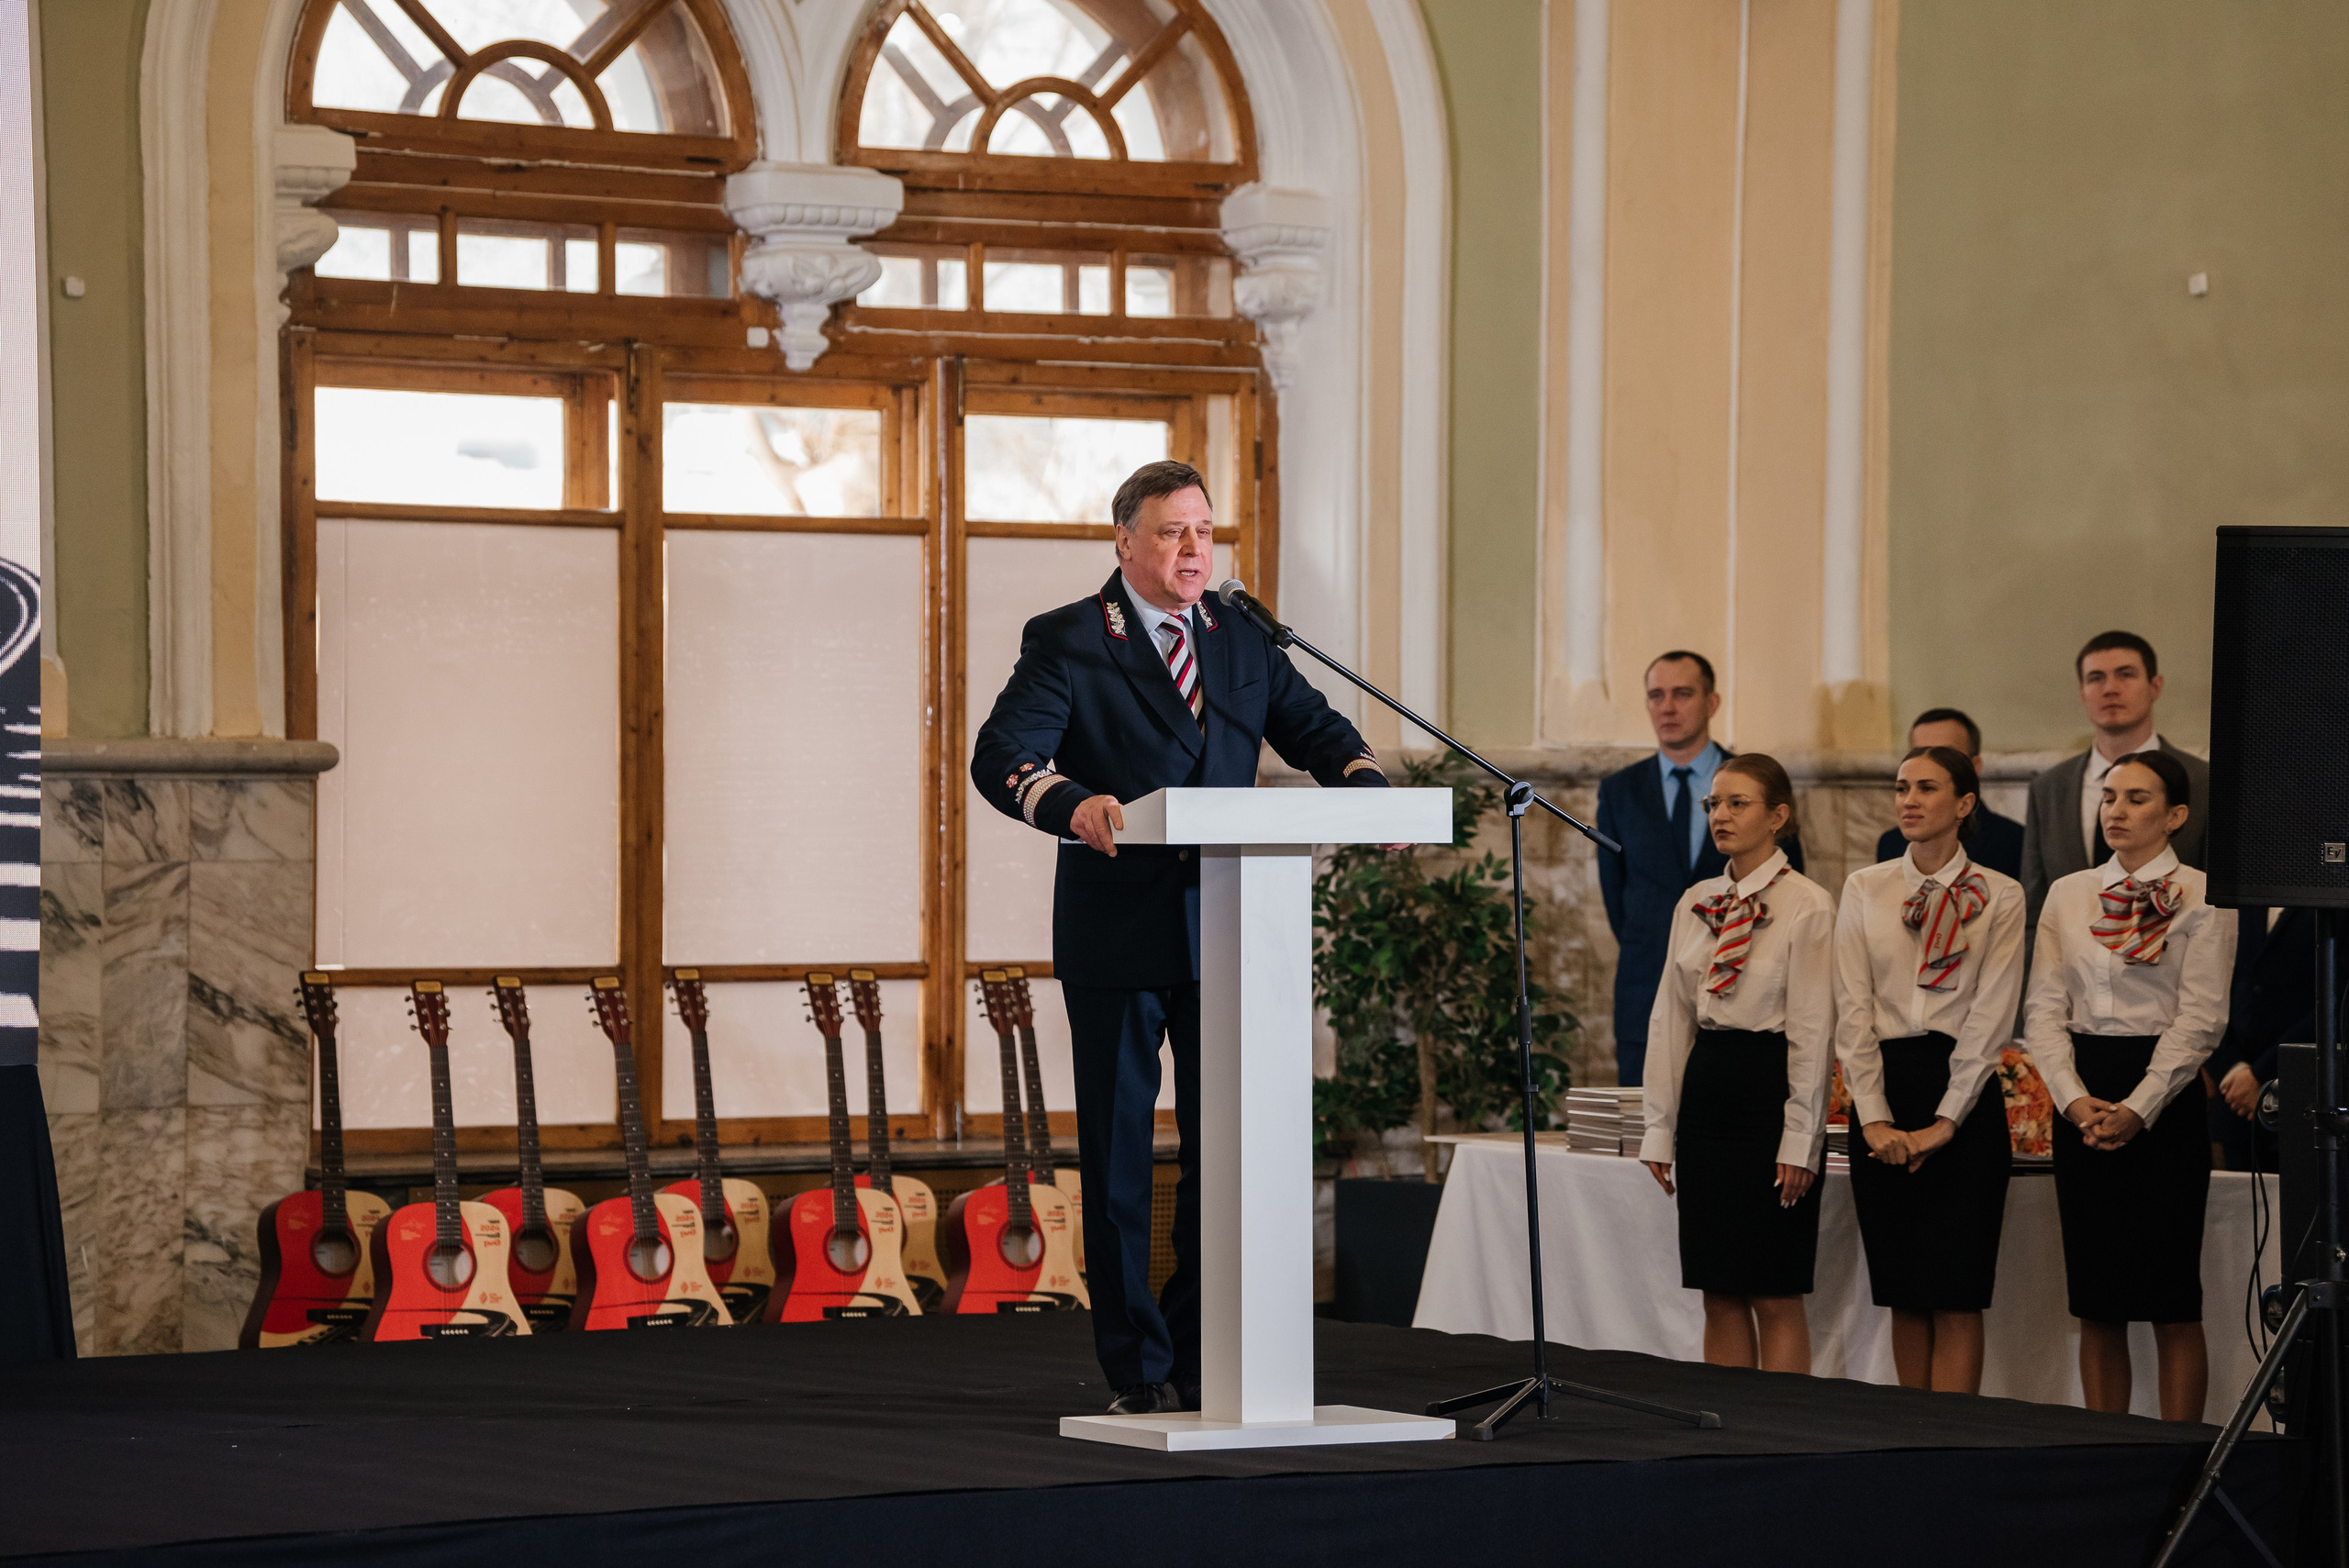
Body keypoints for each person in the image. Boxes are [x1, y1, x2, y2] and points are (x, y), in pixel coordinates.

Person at [969, 460, 1388, 1418]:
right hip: (1119, 932)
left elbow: (1312, 725)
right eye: (1170, 532)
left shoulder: (1240, 636)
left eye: (1203, 531)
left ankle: (1202, 1350)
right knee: (1121, 1163)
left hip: (1231, 931)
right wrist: (1070, 802)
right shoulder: (1072, 638)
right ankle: (1136, 1362)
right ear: (1125, 542)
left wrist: (1364, 784)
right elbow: (1004, 755)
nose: (1193, 549)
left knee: (1222, 1158)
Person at [2023, 751, 2234, 1420]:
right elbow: (2044, 1008)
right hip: (2083, 1088)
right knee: (2098, 1298)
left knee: (2172, 1298)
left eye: (2137, 798)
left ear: (2176, 814)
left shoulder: (2205, 893)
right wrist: (2072, 1096)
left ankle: (2181, 1458)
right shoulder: (2069, 891)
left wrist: (2140, 1106)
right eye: (2109, 796)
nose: (2116, 809)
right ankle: (2105, 1447)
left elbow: (2202, 1018)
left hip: (2165, 1098)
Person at [1836, 747, 2027, 1394]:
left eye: (1926, 787)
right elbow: (1851, 1008)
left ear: (1965, 802)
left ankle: (1954, 1440)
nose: (1908, 799)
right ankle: (1909, 1435)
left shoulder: (2001, 894)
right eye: (1900, 787)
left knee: (1956, 1289)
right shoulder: (1866, 886)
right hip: (1885, 1085)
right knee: (1904, 1288)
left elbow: (1991, 1018)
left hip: (1963, 1093)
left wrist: (1946, 1122)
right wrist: (1875, 1116)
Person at [1639, 753, 1834, 1374]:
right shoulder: (1698, 900)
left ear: (1778, 816)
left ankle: (1781, 1433)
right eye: (1713, 804)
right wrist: (1659, 1126)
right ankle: (1733, 1425)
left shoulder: (1808, 904)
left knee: (1774, 1288)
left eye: (1737, 803)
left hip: (1769, 1087)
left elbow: (1813, 1028)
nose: (1720, 815)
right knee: (1718, 1287)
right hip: (1708, 1089)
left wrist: (1800, 1138)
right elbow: (1670, 1020)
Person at [1598, 652, 1803, 1085]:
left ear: (1712, 703)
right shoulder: (1620, 790)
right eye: (1656, 695)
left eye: (1682, 694)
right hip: (1646, 991)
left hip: (1744, 1005)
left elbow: (1787, 889)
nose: (1667, 707)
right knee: (1647, 1141)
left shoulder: (1756, 782)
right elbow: (1616, 897)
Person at [2020, 632, 2210, 940]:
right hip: (2070, 974)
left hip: (2170, 966)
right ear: (2082, 692)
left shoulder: (2202, 782)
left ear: (2155, 686)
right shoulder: (2049, 788)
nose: (2110, 689)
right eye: (2095, 678)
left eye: (2126, 674)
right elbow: (2035, 907)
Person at [2203, 906, 2314, 1172]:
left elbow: (2338, 999)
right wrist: (2232, 1066)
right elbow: (2208, 988)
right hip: (2236, 1096)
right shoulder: (2239, 886)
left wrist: (2263, 1074)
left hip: (2308, 1092)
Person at [1872, 709, 2024, 880]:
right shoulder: (1891, 843)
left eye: (1945, 755)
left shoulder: (2014, 841)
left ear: (1974, 766)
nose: (1927, 762)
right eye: (1918, 752)